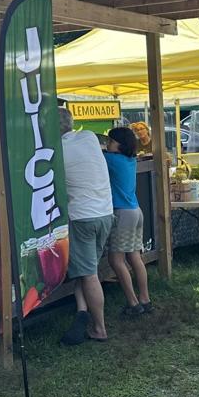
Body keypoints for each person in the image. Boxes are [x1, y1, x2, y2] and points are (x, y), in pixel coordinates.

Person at [58, 104, 113, 346]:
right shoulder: (89, 137)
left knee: (88, 273)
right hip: (105, 214)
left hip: (81, 217)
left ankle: (99, 328)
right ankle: (82, 311)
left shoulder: (55, 150)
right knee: (86, 269)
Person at [103, 126, 152, 319]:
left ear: (120, 144)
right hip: (135, 211)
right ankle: (145, 299)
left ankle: (133, 303)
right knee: (135, 257)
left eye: (111, 141)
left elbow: (93, 154)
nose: (107, 144)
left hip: (122, 213)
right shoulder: (130, 159)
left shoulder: (112, 159)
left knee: (116, 260)